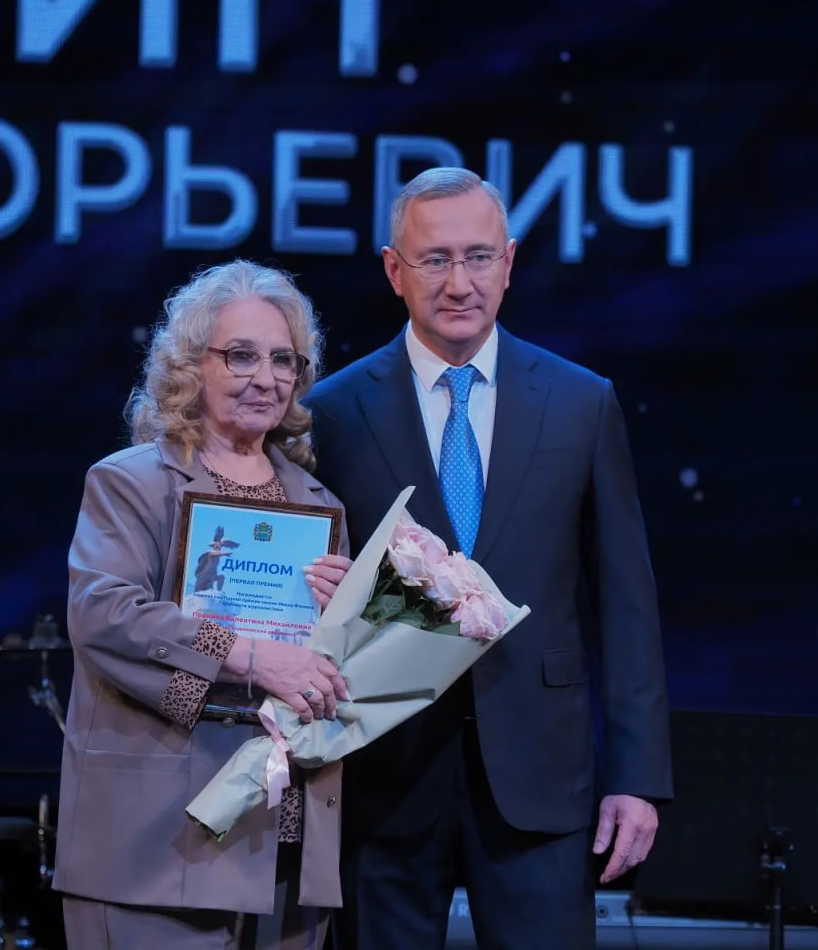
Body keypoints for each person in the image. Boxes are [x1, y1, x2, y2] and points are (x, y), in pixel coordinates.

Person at [306, 168, 673, 950]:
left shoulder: (581, 402)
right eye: (434, 259)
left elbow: (627, 603)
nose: (459, 282)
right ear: (393, 270)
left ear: (508, 263)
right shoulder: (333, 412)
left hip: (541, 773)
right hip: (384, 774)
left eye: (478, 257)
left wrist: (638, 777)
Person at [54, 259, 354, 950]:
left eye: (283, 359)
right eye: (240, 355)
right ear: (191, 365)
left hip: (282, 843)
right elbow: (104, 615)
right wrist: (250, 657)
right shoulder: (132, 483)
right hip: (156, 843)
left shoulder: (320, 506)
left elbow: (330, 679)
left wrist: (345, 627)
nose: (265, 377)